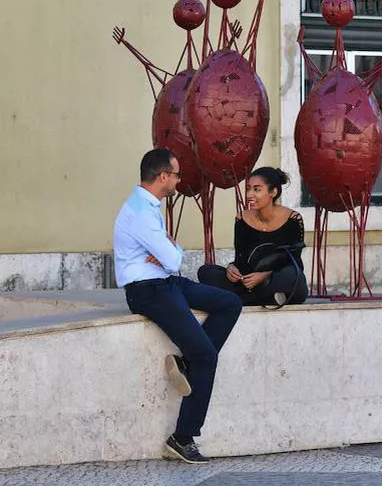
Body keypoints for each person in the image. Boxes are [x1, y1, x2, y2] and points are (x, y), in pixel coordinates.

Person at [113, 148, 243, 464]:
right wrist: (170, 250)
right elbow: (172, 259)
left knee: (230, 302)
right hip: (148, 290)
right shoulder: (141, 213)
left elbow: (170, 258)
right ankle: (182, 438)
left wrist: (169, 250)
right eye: (176, 175)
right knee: (207, 357)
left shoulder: (148, 206)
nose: (179, 180)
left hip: (165, 283)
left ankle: (186, 364)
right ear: (163, 177)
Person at [198, 167, 308, 307]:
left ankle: (249, 297)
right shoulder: (242, 219)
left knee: (293, 275)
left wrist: (266, 276)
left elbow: (295, 264)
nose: (250, 194)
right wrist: (231, 269)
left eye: (257, 189)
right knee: (206, 272)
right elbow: (241, 260)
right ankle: (268, 298)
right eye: (249, 189)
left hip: (277, 279)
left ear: (273, 192)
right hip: (248, 281)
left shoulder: (292, 219)